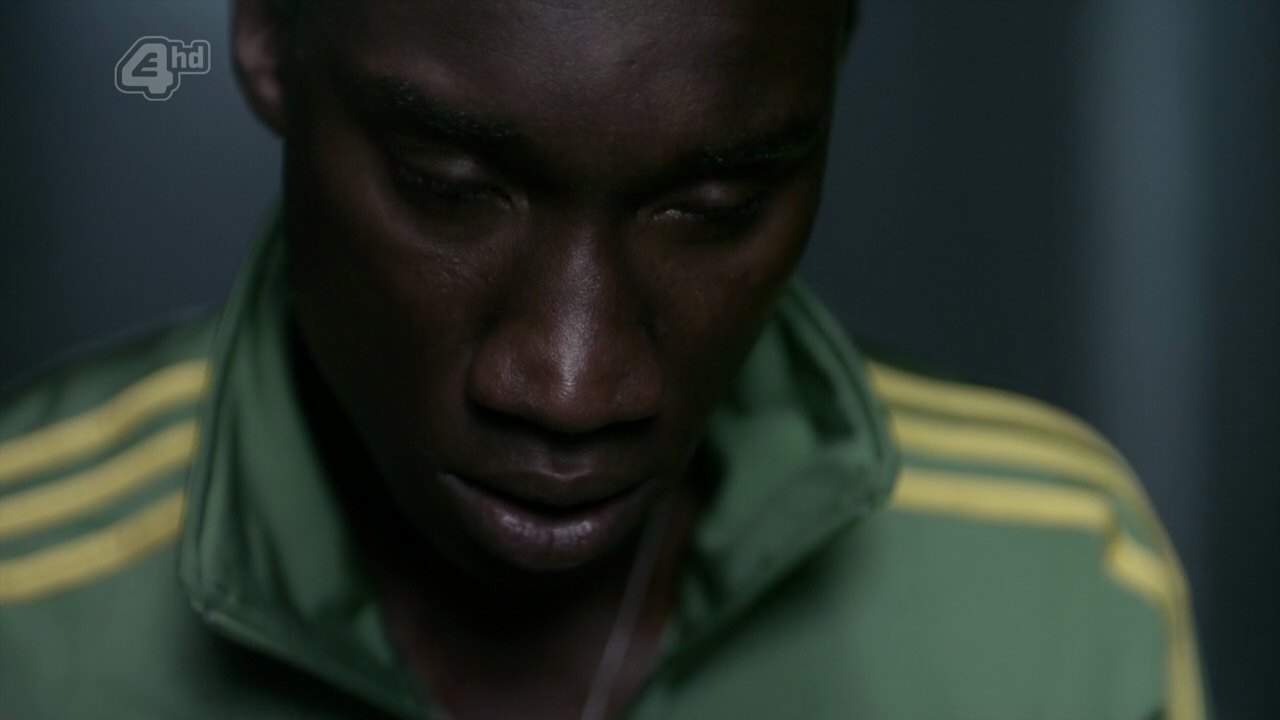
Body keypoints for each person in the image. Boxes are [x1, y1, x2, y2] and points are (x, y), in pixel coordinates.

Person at [0, 1, 1209, 718]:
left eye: (716, 207)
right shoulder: (23, 601)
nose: (572, 386)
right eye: (444, 185)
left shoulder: (1056, 585)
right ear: (268, 32)